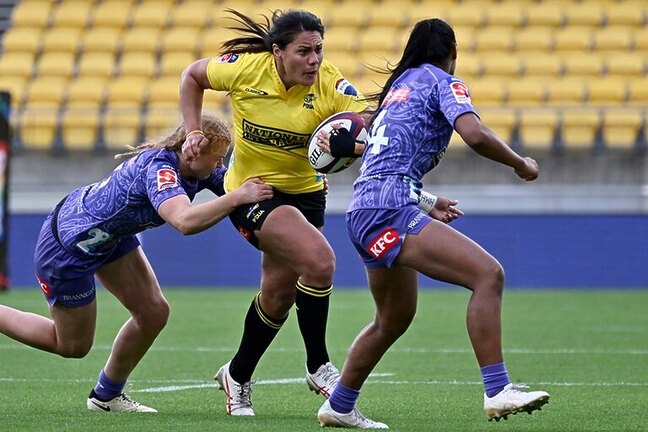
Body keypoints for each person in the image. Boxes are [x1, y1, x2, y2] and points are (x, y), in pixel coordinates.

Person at [315, 18, 550, 429]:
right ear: (453, 53)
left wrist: (426, 200)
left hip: (365, 209)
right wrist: (520, 164)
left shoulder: (399, 88)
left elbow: (387, 166)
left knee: (393, 318)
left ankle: (339, 405)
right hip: (389, 210)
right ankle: (498, 390)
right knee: (487, 275)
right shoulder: (443, 81)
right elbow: (474, 134)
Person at [0, 114, 273, 413]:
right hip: (70, 246)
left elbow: (237, 186)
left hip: (108, 236)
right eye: (218, 158)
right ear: (192, 150)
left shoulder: (197, 167)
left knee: (153, 313)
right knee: (72, 346)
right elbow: (184, 221)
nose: (220, 166)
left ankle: (106, 396)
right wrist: (237, 198)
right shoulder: (161, 169)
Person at [179, 8, 373, 416]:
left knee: (279, 294)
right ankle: (318, 364)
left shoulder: (329, 81)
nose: (314, 60)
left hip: (307, 194)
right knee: (320, 262)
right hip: (254, 193)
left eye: (319, 50)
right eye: (304, 51)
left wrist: (354, 136)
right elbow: (193, 76)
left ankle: (237, 373)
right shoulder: (245, 71)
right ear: (277, 52)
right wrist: (193, 130)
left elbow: (365, 117)